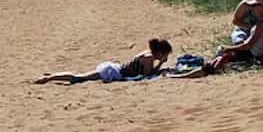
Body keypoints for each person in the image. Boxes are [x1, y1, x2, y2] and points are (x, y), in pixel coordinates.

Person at [34, 38, 174, 85]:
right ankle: (48, 78)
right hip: (113, 73)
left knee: (80, 77)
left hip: (115, 69)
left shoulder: (147, 53)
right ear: (161, 53)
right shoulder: (149, 59)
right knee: (78, 78)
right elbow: (146, 75)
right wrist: (161, 64)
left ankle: (52, 76)